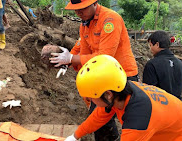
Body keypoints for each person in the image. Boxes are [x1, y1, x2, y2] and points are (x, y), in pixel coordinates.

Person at [50, 0, 138, 140]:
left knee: (128, 117)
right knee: (100, 117)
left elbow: (104, 57)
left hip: (122, 75)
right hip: (102, 76)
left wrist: (71, 58)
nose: (79, 13)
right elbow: (82, 50)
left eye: (82, 8)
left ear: (95, 3)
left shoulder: (110, 19)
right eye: (76, 9)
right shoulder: (85, 24)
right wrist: (68, 62)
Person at [65, 55, 182, 141]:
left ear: (108, 94)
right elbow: (98, 117)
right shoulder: (121, 92)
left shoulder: (137, 120)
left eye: (90, 98)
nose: (89, 101)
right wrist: (74, 136)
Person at [143, 31, 182, 99]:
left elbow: (148, 92)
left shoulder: (152, 64)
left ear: (157, 44)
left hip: (160, 106)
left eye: (150, 45)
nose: (150, 49)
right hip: (176, 105)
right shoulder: (180, 63)